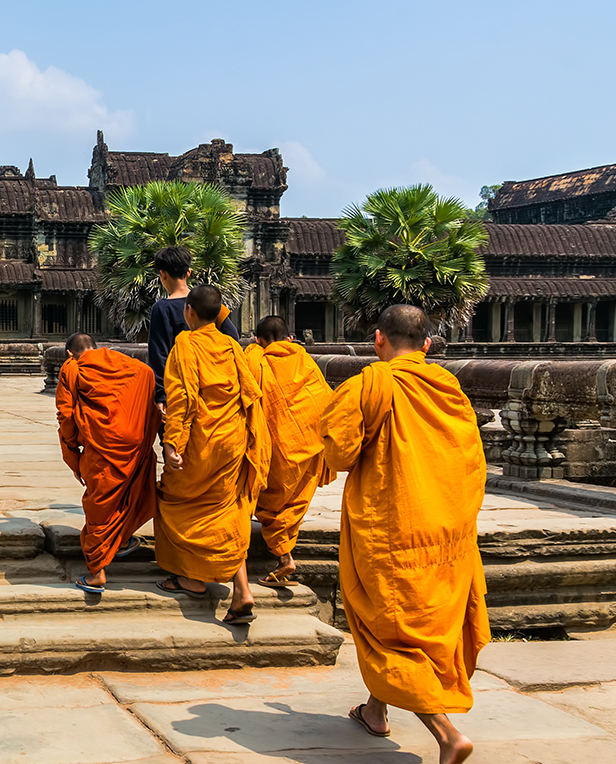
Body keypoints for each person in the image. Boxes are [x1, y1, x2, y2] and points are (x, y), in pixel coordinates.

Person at [322, 304, 487, 764]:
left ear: (379, 340)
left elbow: (337, 454)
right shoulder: (449, 387)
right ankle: (376, 711)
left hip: (390, 529)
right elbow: (472, 459)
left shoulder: (369, 384)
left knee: (389, 631)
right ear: (428, 345)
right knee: (416, 625)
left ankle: (446, 733)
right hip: (446, 529)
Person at [155, 285, 269, 625]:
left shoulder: (185, 346)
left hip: (200, 443)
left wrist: (172, 442)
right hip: (232, 440)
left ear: (189, 311)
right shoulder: (233, 346)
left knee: (176, 502)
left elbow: (183, 399)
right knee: (230, 509)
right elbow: (250, 393)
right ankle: (242, 589)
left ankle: (191, 578)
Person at [56, 332, 159, 593]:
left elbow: (66, 415)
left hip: (101, 446)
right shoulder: (129, 364)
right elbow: (149, 376)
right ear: (95, 347)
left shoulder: (72, 369)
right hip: (133, 444)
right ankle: (121, 540)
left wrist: (71, 452)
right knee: (127, 494)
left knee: (98, 505)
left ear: (70, 353)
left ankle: (97, 572)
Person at [245, 315, 334, 588]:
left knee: (268, 500)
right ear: (290, 339)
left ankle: (285, 557)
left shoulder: (255, 361)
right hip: (306, 446)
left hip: (275, 451)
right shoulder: (306, 361)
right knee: (293, 500)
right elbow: (324, 400)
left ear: (259, 340)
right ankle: (284, 555)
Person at [147, 246, 239, 412]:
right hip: (215, 386)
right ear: (188, 273)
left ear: (163, 274)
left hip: (180, 388)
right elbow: (233, 338)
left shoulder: (162, 308)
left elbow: (159, 355)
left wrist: (161, 395)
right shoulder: (210, 301)